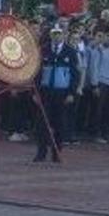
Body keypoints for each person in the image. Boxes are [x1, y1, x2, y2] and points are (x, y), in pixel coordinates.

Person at [36, 25, 79, 162]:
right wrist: (35, 92)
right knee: (43, 124)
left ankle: (57, 153)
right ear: (50, 35)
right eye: (54, 33)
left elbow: (75, 74)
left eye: (59, 33)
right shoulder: (43, 50)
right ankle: (41, 152)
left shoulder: (70, 52)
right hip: (45, 92)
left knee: (60, 124)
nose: (56, 36)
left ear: (64, 35)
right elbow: (37, 73)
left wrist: (72, 93)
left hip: (62, 93)